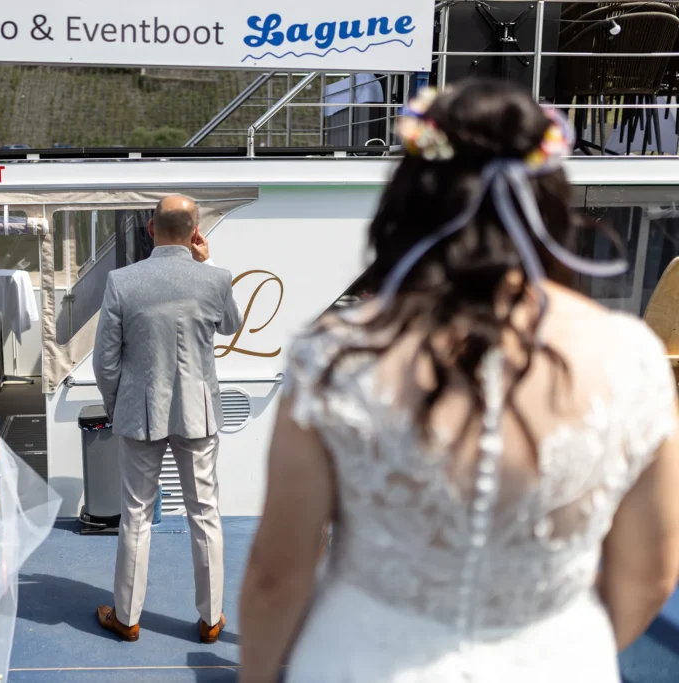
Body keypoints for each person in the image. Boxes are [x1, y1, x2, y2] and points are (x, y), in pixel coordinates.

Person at [239, 79, 679, 682]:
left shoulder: (337, 354)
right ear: (549, 204)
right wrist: (553, 647)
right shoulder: (632, 357)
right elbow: (650, 573)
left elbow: (276, 573)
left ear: (410, 202)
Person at [93, 195, 242, 644]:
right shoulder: (215, 279)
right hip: (197, 414)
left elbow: (105, 360)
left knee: (136, 514)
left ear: (151, 228)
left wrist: (119, 402)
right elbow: (231, 324)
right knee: (205, 513)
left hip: (140, 412)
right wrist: (207, 259)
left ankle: (128, 616)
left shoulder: (122, 281)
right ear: (196, 231)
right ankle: (212, 618)